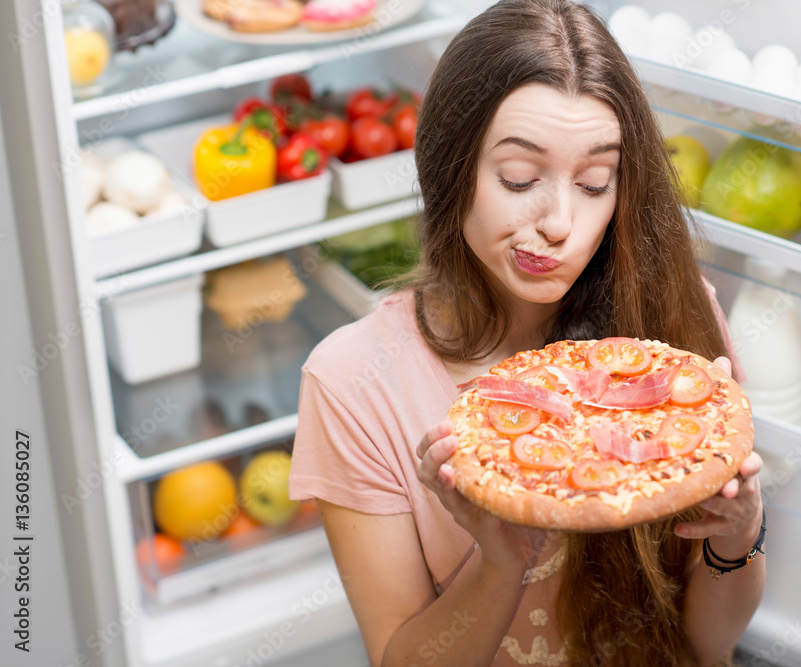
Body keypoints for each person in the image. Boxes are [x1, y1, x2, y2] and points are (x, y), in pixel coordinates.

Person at [289, 1, 765, 665]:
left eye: (596, 182)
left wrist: (738, 536)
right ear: (448, 169)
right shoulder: (352, 380)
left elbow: (704, 645)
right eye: (519, 178)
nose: (560, 223)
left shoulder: (673, 335)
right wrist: (499, 560)